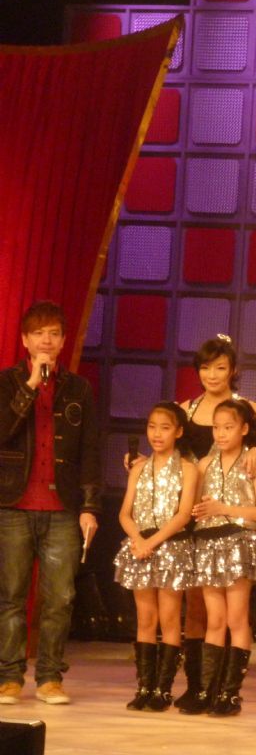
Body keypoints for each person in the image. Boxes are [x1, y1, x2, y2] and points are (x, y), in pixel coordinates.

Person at [0, 300, 101, 706]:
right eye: (39, 333)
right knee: (11, 596)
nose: (47, 340)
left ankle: (49, 678)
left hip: (63, 508)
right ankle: (9, 677)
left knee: (60, 597)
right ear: (25, 340)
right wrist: (30, 387)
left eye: (54, 333)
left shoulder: (79, 389)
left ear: (62, 341)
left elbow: (90, 450)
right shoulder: (7, 383)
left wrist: (90, 506)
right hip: (13, 505)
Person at [172, 335, 256, 710]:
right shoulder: (186, 409)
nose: (212, 374)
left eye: (220, 367)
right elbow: (173, 459)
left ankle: (226, 691)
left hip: (235, 520)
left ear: (233, 370)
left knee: (233, 613)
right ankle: (199, 686)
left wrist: (255, 452)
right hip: (195, 515)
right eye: (206, 367)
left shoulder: (249, 410)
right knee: (198, 608)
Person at [113, 402, 198, 711]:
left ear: (178, 432)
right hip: (141, 547)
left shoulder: (188, 468)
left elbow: (184, 514)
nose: (157, 434)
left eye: (165, 428)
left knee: (170, 618)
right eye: (152, 427)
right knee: (145, 619)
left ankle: (163, 689)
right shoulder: (138, 468)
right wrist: (138, 540)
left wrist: (153, 541)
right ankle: (145, 687)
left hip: (171, 546)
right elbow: (125, 513)